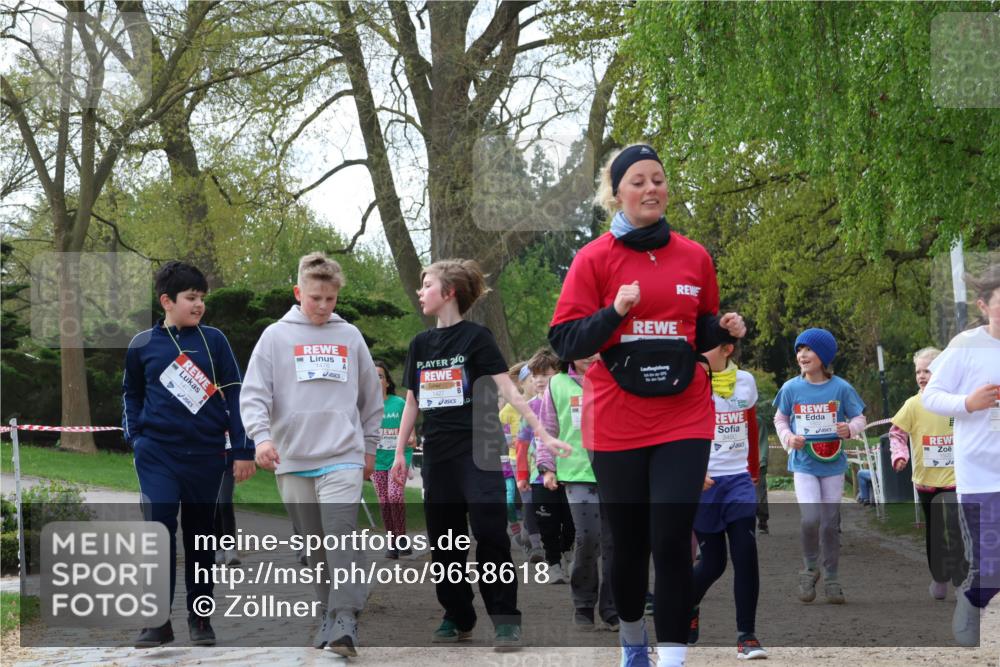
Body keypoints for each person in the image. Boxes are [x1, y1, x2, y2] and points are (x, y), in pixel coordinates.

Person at [548, 143, 746, 667]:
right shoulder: (594, 258)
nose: (651, 188)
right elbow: (566, 341)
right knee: (631, 543)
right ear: (616, 193)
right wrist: (614, 311)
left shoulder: (694, 256)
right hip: (616, 420)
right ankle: (634, 643)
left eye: (657, 178)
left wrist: (723, 327)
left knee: (672, 536)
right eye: (637, 180)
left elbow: (696, 327)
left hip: (684, 412)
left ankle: (675, 656)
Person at [389, 259, 571, 651]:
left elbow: (508, 389)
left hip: (482, 448)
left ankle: (506, 621)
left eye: (427, 285)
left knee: (490, 534)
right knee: (446, 540)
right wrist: (400, 451)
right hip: (438, 452)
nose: (421, 292)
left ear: (449, 292)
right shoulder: (420, 345)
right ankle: (457, 615)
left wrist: (541, 433)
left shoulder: (477, 338)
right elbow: (412, 402)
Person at [241, 252, 383, 657]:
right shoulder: (275, 336)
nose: (323, 307)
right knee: (314, 545)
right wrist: (261, 439)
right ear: (298, 292)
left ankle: (345, 619)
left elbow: (370, 399)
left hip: (342, 454)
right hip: (293, 459)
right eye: (315, 298)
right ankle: (327, 611)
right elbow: (254, 395)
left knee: (340, 536)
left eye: (331, 300)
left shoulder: (350, 336)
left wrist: (369, 447)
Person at [122, 261, 256, 648]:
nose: (199, 305)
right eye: (191, 298)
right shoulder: (141, 345)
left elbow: (235, 393)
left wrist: (242, 449)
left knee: (200, 536)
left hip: (206, 456)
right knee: (159, 530)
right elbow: (131, 392)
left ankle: (200, 620)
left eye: (202, 299)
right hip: (157, 454)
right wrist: (136, 437)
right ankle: (158, 622)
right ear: (167, 301)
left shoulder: (214, 340)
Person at [922, 265, 1000, 646]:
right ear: (984, 305)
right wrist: (968, 402)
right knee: (993, 567)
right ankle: (972, 597)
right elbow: (930, 396)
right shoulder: (966, 345)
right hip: (982, 475)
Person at [687, 321, 767, 660]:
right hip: (704, 483)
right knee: (714, 563)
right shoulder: (690, 381)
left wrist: (752, 469)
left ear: (727, 350)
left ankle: (746, 635)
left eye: (705, 349)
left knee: (746, 554)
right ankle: (686, 603)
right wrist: (691, 471)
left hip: (736, 479)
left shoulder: (745, 382)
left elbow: (749, 424)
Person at [773, 328, 866, 606]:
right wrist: (789, 438)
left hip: (833, 464)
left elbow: (860, 418)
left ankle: (833, 577)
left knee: (829, 523)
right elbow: (780, 419)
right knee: (810, 518)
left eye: (809, 349)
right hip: (803, 463)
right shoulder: (791, 388)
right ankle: (810, 568)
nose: (802, 355)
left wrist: (849, 428)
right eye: (799, 350)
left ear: (824, 356)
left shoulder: (841, 387)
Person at [535, 352, 619, 631]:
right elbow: (548, 427)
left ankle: (611, 608)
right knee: (588, 537)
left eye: (595, 349)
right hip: (577, 473)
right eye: (581, 350)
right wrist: (546, 467)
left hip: (615, 472)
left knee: (614, 543)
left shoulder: (615, 376)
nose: (589, 355)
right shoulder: (557, 383)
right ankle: (583, 604)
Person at [889, 347, 968, 600]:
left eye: (928, 371)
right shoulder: (913, 405)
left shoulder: (956, 400)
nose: (922, 376)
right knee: (935, 531)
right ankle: (939, 578)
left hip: (957, 479)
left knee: (957, 529)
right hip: (925, 481)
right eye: (918, 371)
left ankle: (961, 579)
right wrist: (899, 455)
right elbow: (897, 433)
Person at [518, 349, 575, 584]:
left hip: (572, 472)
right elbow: (522, 444)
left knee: (572, 523)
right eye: (535, 376)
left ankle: (569, 551)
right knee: (548, 524)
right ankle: (554, 565)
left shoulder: (571, 400)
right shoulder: (529, 407)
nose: (539, 380)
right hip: (539, 476)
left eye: (545, 375)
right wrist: (522, 475)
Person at [372, 360, 414, 559]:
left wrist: (412, 435)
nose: (375, 380)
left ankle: (402, 537)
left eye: (380, 376)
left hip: (399, 458)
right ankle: (392, 541)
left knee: (395, 495)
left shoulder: (398, 403)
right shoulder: (364, 406)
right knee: (384, 500)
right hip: (377, 460)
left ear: (387, 382)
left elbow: (410, 423)